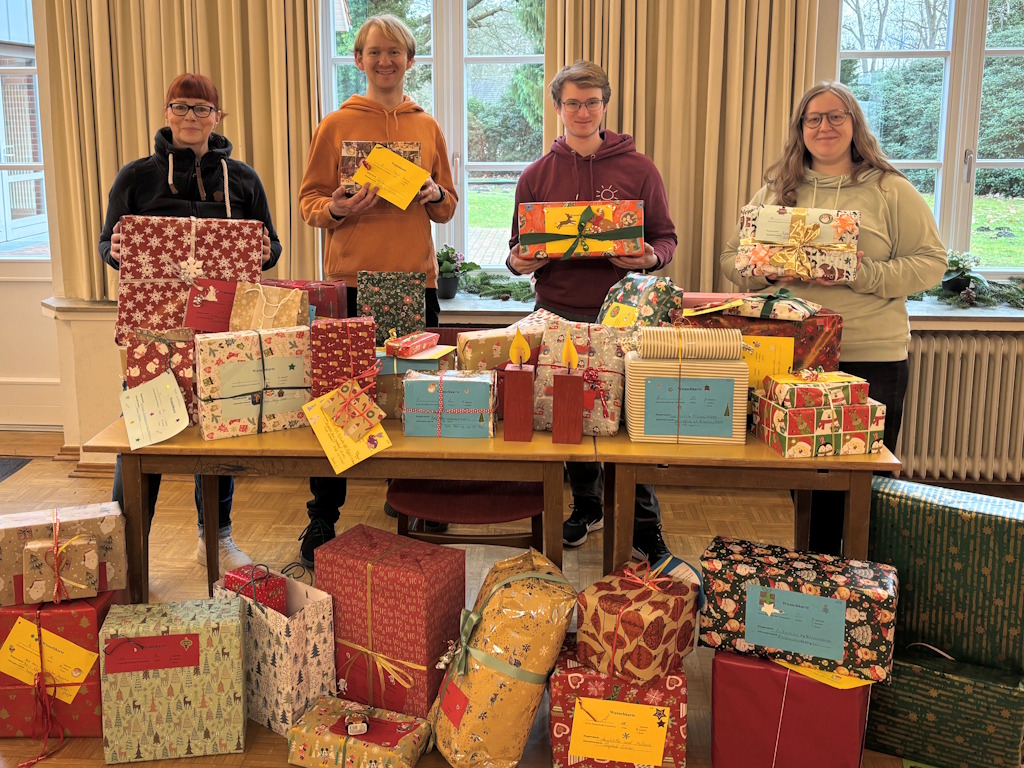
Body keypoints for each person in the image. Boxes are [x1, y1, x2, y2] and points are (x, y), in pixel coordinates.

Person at [720, 81, 947, 553]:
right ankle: (817, 576)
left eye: (836, 116)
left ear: (854, 124)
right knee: (807, 483)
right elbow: (731, 259)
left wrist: (862, 273)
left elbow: (931, 262)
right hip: (795, 356)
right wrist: (761, 271)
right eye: (814, 118)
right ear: (800, 129)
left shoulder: (889, 189)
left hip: (870, 353)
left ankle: (866, 581)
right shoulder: (776, 191)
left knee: (863, 487)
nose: (824, 126)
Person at [100, 73, 282, 575]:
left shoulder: (242, 179)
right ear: (167, 113)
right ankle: (125, 547)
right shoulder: (136, 177)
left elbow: (270, 244)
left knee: (218, 430)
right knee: (144, 435)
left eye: (202, 108)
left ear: (217, 117)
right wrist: (115, 250)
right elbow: (109, 242)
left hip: (222, 328)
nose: (191, 117)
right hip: (152, 331)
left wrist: (263, 251)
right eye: (181, 106)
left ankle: (216, 539)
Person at [297, 14, 457, 568]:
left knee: (418, 396)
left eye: (395, 52)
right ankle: (324, 513)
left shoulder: (427, 126)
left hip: (415, 279)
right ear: (359, 59)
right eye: (374, 52)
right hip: (352, 281)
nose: (385, 61)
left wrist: (433, 193)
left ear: (410, 60)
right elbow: (310, 202)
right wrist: (337, 207)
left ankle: (417, 497)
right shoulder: (336, 124)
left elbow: (447, 207)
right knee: (341, 396)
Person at [507, 60, 678, 564]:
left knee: (631, 421)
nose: (582, 112)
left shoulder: (639, 168)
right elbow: (517, 249)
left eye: (592, 102)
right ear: (557, 108)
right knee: (571, 415)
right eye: (572, 103)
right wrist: (518, 261)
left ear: (605, 105)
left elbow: (665, 238)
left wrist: (649, 258)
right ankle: (586, 506)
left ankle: (644, 524)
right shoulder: (536, 175)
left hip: (625, 312)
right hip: (557, 309)